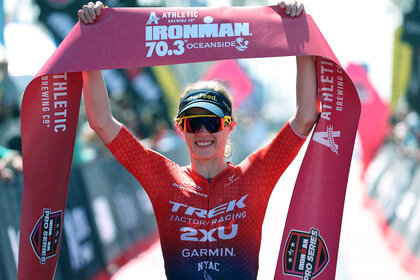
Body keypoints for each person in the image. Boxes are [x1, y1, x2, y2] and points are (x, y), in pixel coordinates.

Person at [78, 1, 318, 279]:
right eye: (194, 123)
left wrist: (300, 35)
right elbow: (101, 123)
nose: (203, 132)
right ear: (182, 128)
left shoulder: (255, 176)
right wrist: (91, 41)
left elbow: (305, 117)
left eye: (212, 122)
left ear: (229, 126)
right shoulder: (163, 179)